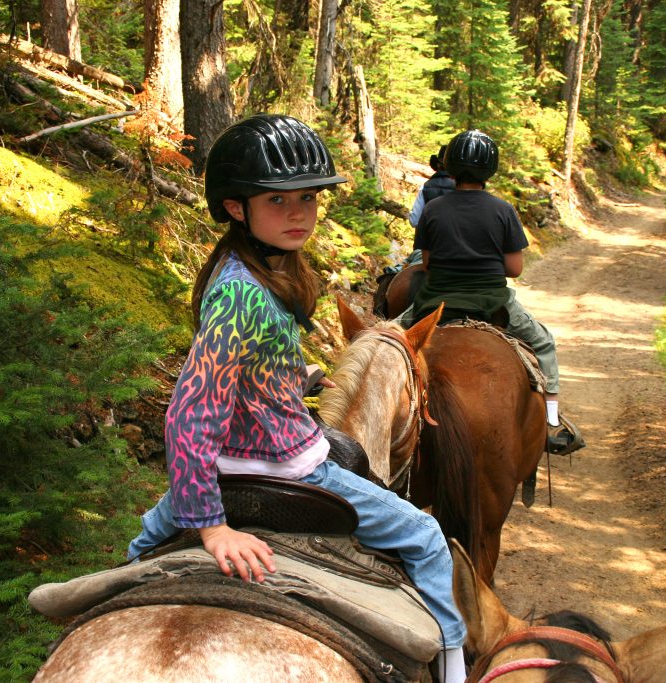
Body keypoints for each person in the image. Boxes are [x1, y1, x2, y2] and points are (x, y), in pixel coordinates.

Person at [125, 114, 468, 683]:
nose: (299, 213)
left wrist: (295, 375)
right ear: (237, 207)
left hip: (240, 455)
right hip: (286, 467)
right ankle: (455, 666)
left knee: (139, 547)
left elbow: (239, 365)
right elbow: (189, 414)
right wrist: (212, 527)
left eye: (308, 199)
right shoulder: (243, 293)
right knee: (427, 538)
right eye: (279, 200)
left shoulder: (245, 273)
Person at [410, 129, 584, 456]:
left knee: (388, 336)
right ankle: (550, 422)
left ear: (450, 166)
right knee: (544, 342)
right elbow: (515, 268)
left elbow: (428, 263)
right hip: (493, 303)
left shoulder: (434, 209)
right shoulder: (503, 210)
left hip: (436, 303)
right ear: (490, 170)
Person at [408, 144, 455, 229]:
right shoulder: (461, 188)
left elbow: (414, 221)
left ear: (437, 165)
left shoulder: (425, 187)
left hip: (431, 239)